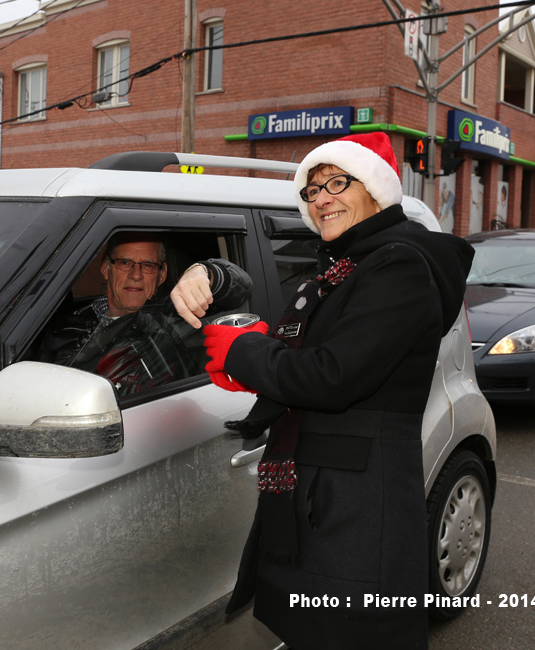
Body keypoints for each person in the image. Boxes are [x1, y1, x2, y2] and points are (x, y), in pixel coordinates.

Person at [179, 132, 474, 649]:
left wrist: (242, 353)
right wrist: (205, 271)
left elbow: (333, 376)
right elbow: (273, 312)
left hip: (357, 512)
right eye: (312, 190)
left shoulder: (398, 265)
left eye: (337, 182)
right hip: (321, 499)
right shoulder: (340, 267)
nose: (321, 199)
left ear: (377, 192)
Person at [34, 232, 249, 395]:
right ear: (105, 268)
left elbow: (241, 289)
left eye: (147, 265)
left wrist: (205, 272)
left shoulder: (176, 311)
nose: (135, 275)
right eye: (125, 263)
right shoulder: (65, 330)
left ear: (162, 274)